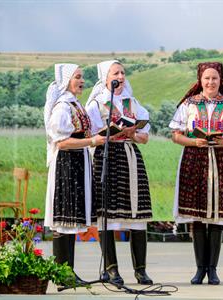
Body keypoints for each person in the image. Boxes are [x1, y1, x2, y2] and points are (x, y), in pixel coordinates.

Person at [169, 62, 223, 285]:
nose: (210, 82)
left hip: (222, 160)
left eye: (214, 78)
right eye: (207, 78)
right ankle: (199, 269)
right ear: (200, 80)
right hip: (194, 159)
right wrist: (194, 140)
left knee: (216, 217)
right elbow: (175, 135)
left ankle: (212, 269)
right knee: (197, 216)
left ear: (221, 79)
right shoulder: (189, 104)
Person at [86, 60, 153, 286]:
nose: (121, 77)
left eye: (123, 72)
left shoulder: (133, 103)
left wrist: (133, 133)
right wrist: (110, 133)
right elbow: (91, 135)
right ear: (106, 78)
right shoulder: (96, 105)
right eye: (116, 73)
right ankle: (112, 269)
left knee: (138, 215)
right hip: (107, 157)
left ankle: (140, 270)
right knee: (108, 215)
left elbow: (145, 137)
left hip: (131, 156)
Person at [44, 63, 106, 284]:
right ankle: (63, 276)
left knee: (70, 220)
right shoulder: (63, 107)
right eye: (77, 77)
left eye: (82, 77)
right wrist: (91, 141)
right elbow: (61, 142)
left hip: (77, 162)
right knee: (65, 219)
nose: (82, 81)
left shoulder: (74, 104)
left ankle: (67, 273)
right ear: (66, 81)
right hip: (67, 165)